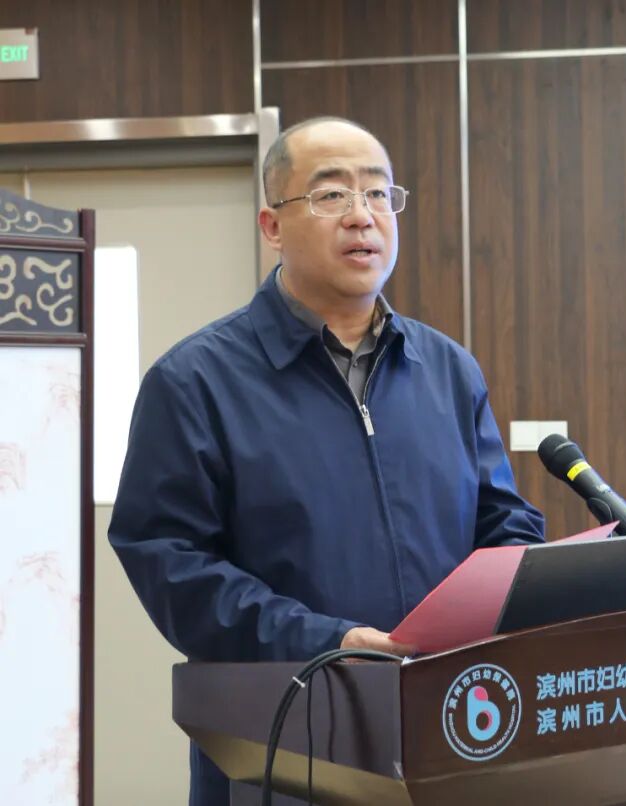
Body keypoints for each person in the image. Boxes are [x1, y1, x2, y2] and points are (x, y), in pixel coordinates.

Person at [108, 116, 545, 805]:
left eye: (378, 193)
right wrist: (329, 640)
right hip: (284, 744)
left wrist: (526, 588)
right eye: (331, 194)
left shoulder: (447, 369)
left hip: (452, 730)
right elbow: (169, 562)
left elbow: (503, 522)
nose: (362, 216)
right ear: (272, 225)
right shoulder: (195, 381)